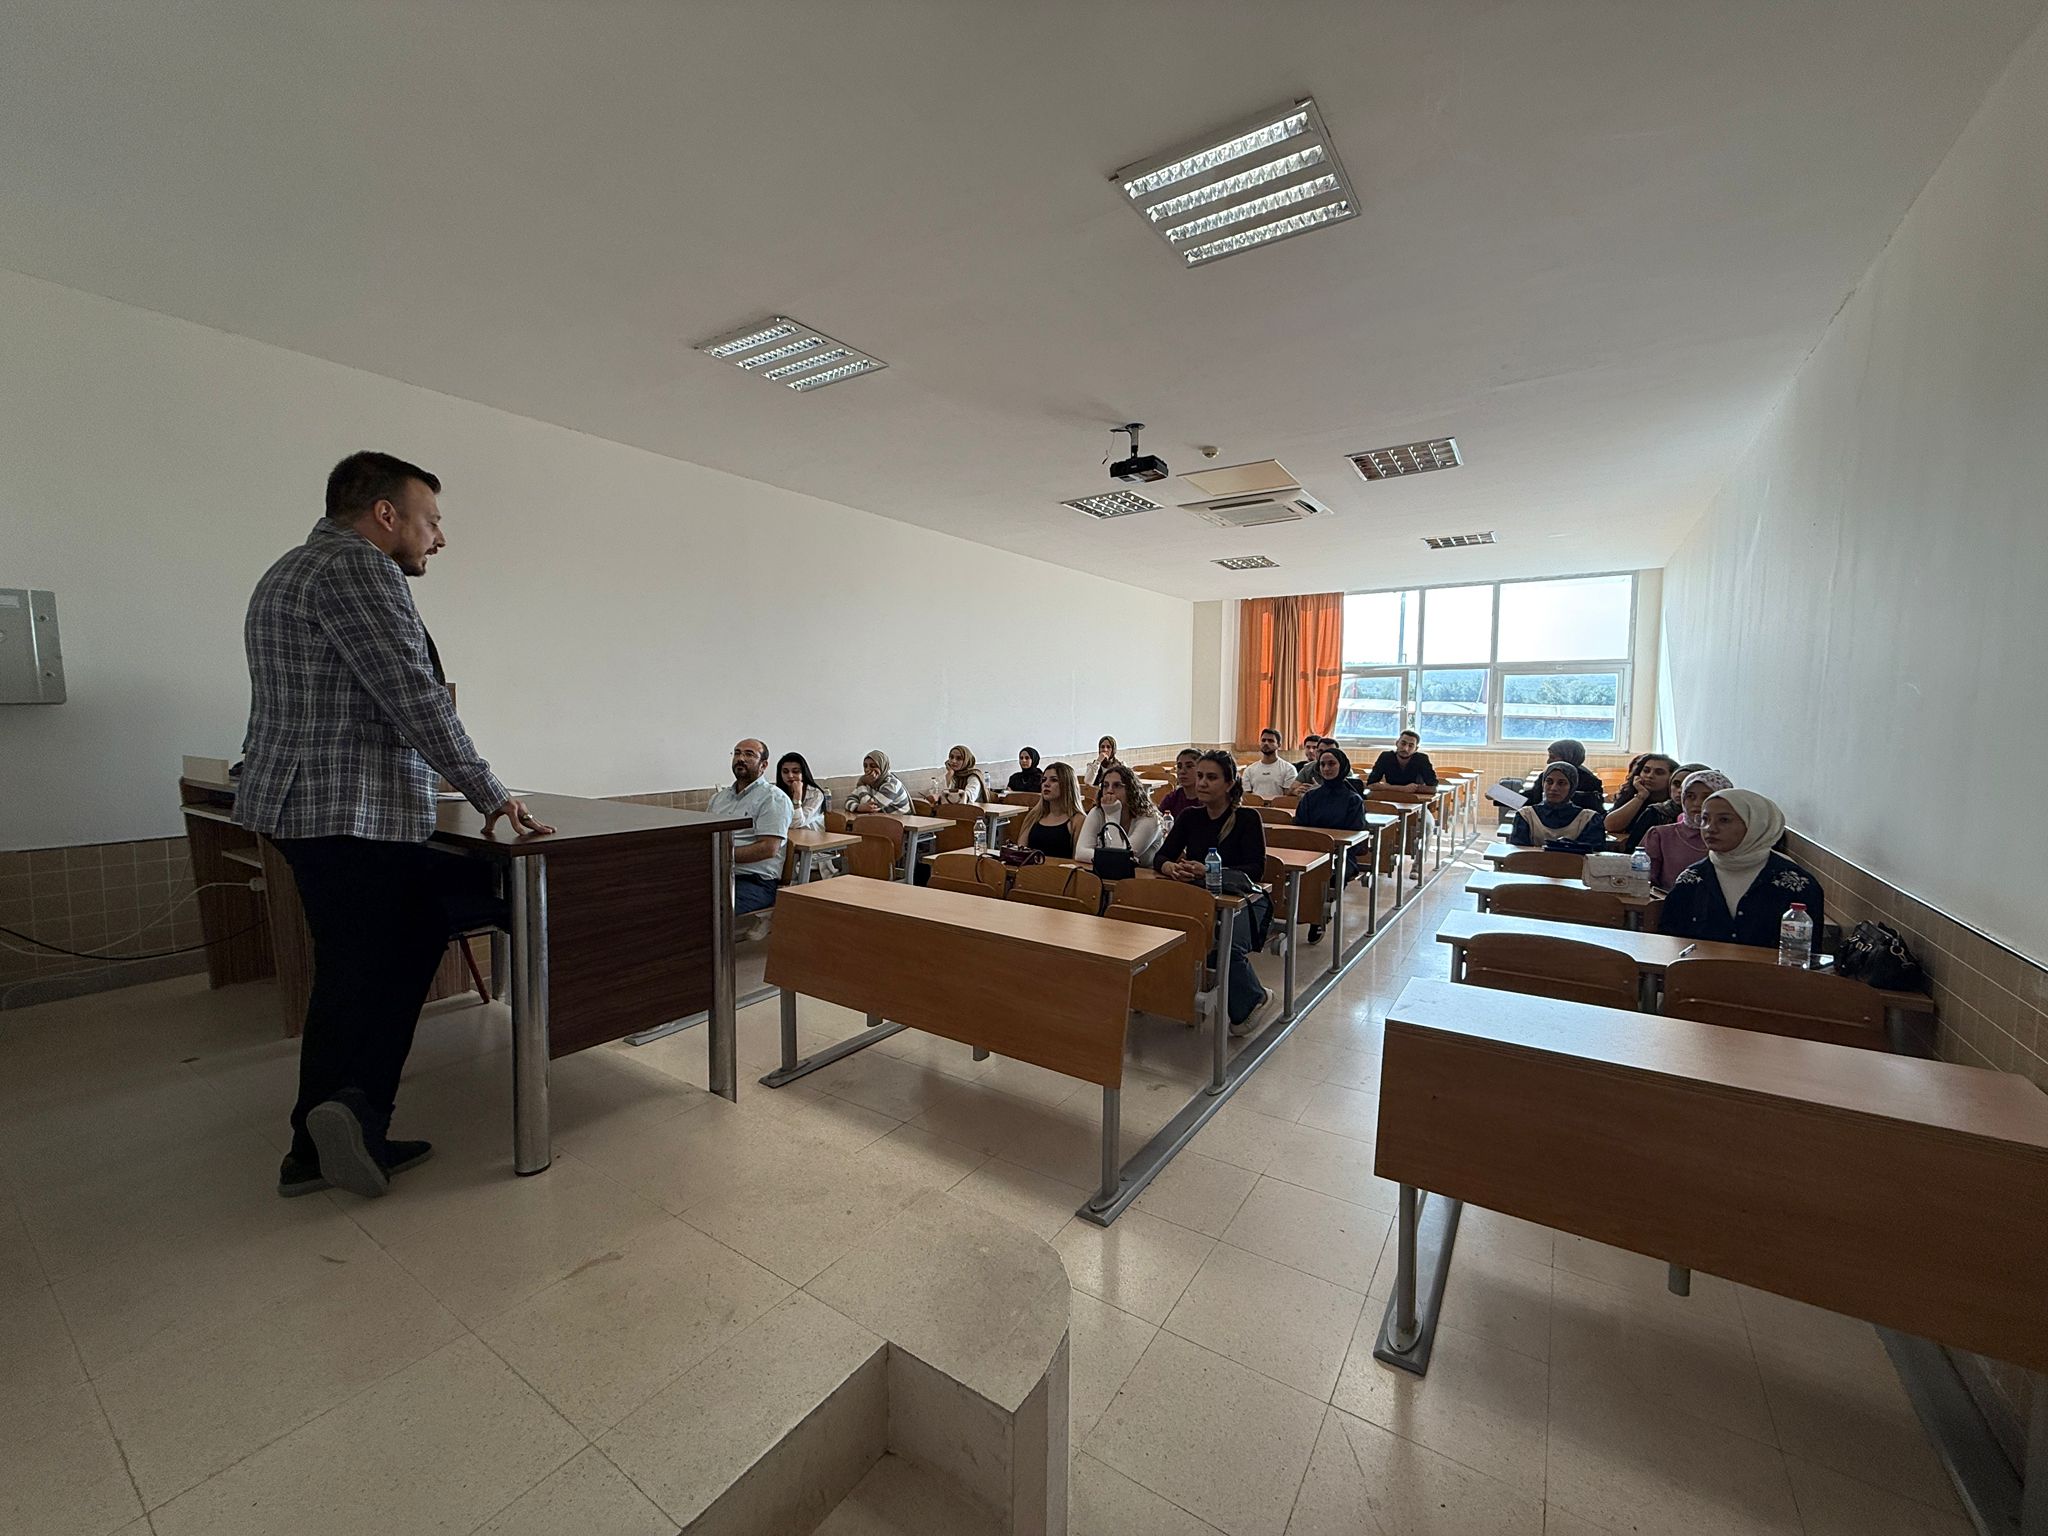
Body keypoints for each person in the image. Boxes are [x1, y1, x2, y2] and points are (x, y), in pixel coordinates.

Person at [237, 451, 555, 1202]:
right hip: (347, 811)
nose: (438, 537)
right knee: (386, 952)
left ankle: (325, 1135)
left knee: (374, 956)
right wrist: (490, 793)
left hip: (306, 806)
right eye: (431, 520)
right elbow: (412, 694)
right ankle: (350, 1117)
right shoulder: (358, 567)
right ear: (386, 514)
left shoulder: (287, 570)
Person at [1154, 750, 1271, 1033]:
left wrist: (1208, 870)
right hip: (1201, 898)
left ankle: (1255, 999)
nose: (1202, 783)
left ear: (1229, 784)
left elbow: (1255, 870)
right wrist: (1171, 867)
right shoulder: (1190, 817)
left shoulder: (1247, 818)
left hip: (1244, 901)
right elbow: (1162, 856)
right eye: (1200, 776)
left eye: (1211, 777)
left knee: (1223, 949)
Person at [1659, 789, 1824, 957]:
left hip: (1770, 973)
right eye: (1705, 819)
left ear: (1755, 825)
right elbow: (1669, 942)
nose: (1710, 828)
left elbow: (1808, 955)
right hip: (1700, 971)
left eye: (1724, 820)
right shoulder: (1691, 879)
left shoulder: (1796, 884)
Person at [707, 739, 792, 915]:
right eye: (737, 753)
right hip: (717, 874)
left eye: (749, 754)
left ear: (763, 765)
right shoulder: (719, 799)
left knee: (710, 910)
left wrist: (721, 855)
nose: (741, 758)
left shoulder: (773, 798)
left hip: (754, 881)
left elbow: (768, 848)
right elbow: (706, 835)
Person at [1294, 745, 1368, 938]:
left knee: (1330, 874)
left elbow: (1354, 837)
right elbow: (1299, 826)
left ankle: (1317, 917)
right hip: (1310, 852)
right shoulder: (1311, 797)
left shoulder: (1353, 799)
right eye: (1323, 764)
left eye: (1332, 764)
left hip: (1341, 855)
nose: (1326, 768)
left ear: (1342, 766)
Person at [1638, 768, 1730, 889]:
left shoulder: (1734, 836)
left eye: (1707, 797)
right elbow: (1643, 883)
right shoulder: (1661, 836)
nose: (1697, 803)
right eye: (1690, 796)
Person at [1077, 761, 1165, 863]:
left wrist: (1112, 815)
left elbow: (1119, 859)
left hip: (1143, 873)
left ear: (1131, 790)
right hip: (1107, 871)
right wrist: (1109, 857)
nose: (1109, 791)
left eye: (1117, 785)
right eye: (1105, 785)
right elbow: (1080, 853)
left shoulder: (1150, 818)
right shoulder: (1097, 812)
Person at [1508, 762, 1606, 846]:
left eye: (1561, 783)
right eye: (1549, 782)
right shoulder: (1526, 816)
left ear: (1572, 787)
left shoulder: (1588, 819)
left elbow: (1591, 857)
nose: (1553, 788)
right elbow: (1518, 855)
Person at [1603, 752, 1681, 852]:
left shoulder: (1675, 805)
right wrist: (1641, 796)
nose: (1650, 776)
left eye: (1659, 772)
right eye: (1646, 771)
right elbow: (1610, 825)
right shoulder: (1630, 795)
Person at [1016, 761, 1086, 857]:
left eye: (1054, 780)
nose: (1046, 784)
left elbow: (1078, 859)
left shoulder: (1078, 820)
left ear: (1067, 785)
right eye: (1044, 780)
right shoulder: (1034, 815)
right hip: (1031, 866)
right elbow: (1020, 852)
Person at [1543, 739, 1607, 811]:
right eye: (1549, 782)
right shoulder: (1548, 775)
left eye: (1552, 757)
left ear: (1567, 757)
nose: (1548, 762)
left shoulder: (1589, 782)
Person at [1366, 730, 1438, 793]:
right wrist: (1403, 789)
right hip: (1390, 798)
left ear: (1416, 749)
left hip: (1414, 799)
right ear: (1397, 743)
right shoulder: (1386, 757)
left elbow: (1433, 788)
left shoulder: (1422, 759)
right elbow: (1371, 784)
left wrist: (1387, 787)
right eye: (1403, 743)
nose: (1405, 749)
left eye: (1410, 746)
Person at [842, 750, 911, 815]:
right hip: (882, 819)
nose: (867, 769)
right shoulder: (869, 781)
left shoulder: (892, 784)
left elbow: (871, 808)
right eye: (865, 766)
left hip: (902, 821)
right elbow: (848, 801)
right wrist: (859, 807)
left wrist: (861, 784)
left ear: (882, 767)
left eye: (873, 766)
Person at [1240, 727, 1298, 799]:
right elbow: (1246, 796)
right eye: (1263, 740)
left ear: (1279, 745)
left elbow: (1288, 796)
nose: (1266, 743)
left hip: (1279, 805)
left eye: (1271, 741)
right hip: (1255, 805)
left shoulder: (1289, 769)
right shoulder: (1249, 770)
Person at [776, 752, 829, 830]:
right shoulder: (776, 792)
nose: (790, 776)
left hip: (812, 835)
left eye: (795, 771)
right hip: (787, 834)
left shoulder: (815, 794)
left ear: (803, 773)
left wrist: (797, 794)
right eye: (785, 772)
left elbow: (797, 823)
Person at [1157, 749, 1202, 818]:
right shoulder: (1172, 798)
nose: (1182, 771)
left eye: (1189, 766)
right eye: (1179, 767)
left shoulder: (1209, 800)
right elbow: (1159, 818)